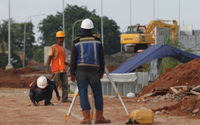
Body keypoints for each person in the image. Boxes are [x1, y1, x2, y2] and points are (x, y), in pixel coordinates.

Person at [70, 18, 111, 124]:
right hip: (94, 71)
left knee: (83, 93)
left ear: (82, 29)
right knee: (97, 93)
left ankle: (86, 118)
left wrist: (72, 73)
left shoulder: (76, 41)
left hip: (81, 71)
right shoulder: (98, 41)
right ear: (92, 29)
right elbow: (102, 58)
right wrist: (101, 71)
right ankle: (99, 117)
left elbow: (73, 59)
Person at [46, 31, 70, 102]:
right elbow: (49, 58)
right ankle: (47, 98)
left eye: (62, 38)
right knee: (53, 85)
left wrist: (68, 64)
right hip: (56, 70)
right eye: (60, 38)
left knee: (65, 84)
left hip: (63, 69)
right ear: (57, 39)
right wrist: (47, 68)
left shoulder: (62, 49)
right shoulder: (53, 47)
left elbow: (62, 60)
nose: (61, 39)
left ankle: (65, 98)